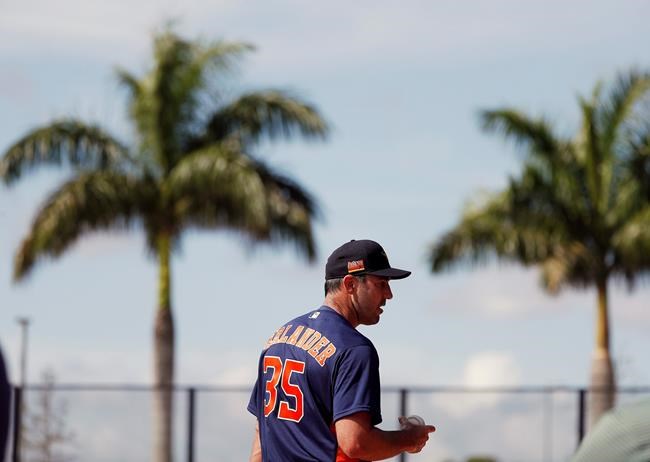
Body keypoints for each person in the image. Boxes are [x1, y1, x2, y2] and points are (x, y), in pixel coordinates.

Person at [247, 239, 436, 461]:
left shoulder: (279, 338)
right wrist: (408, 438)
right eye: (380, 283)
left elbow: (262, 432)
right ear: (350, 285)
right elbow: (355, 443)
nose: (389, 294)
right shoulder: (354, 348)